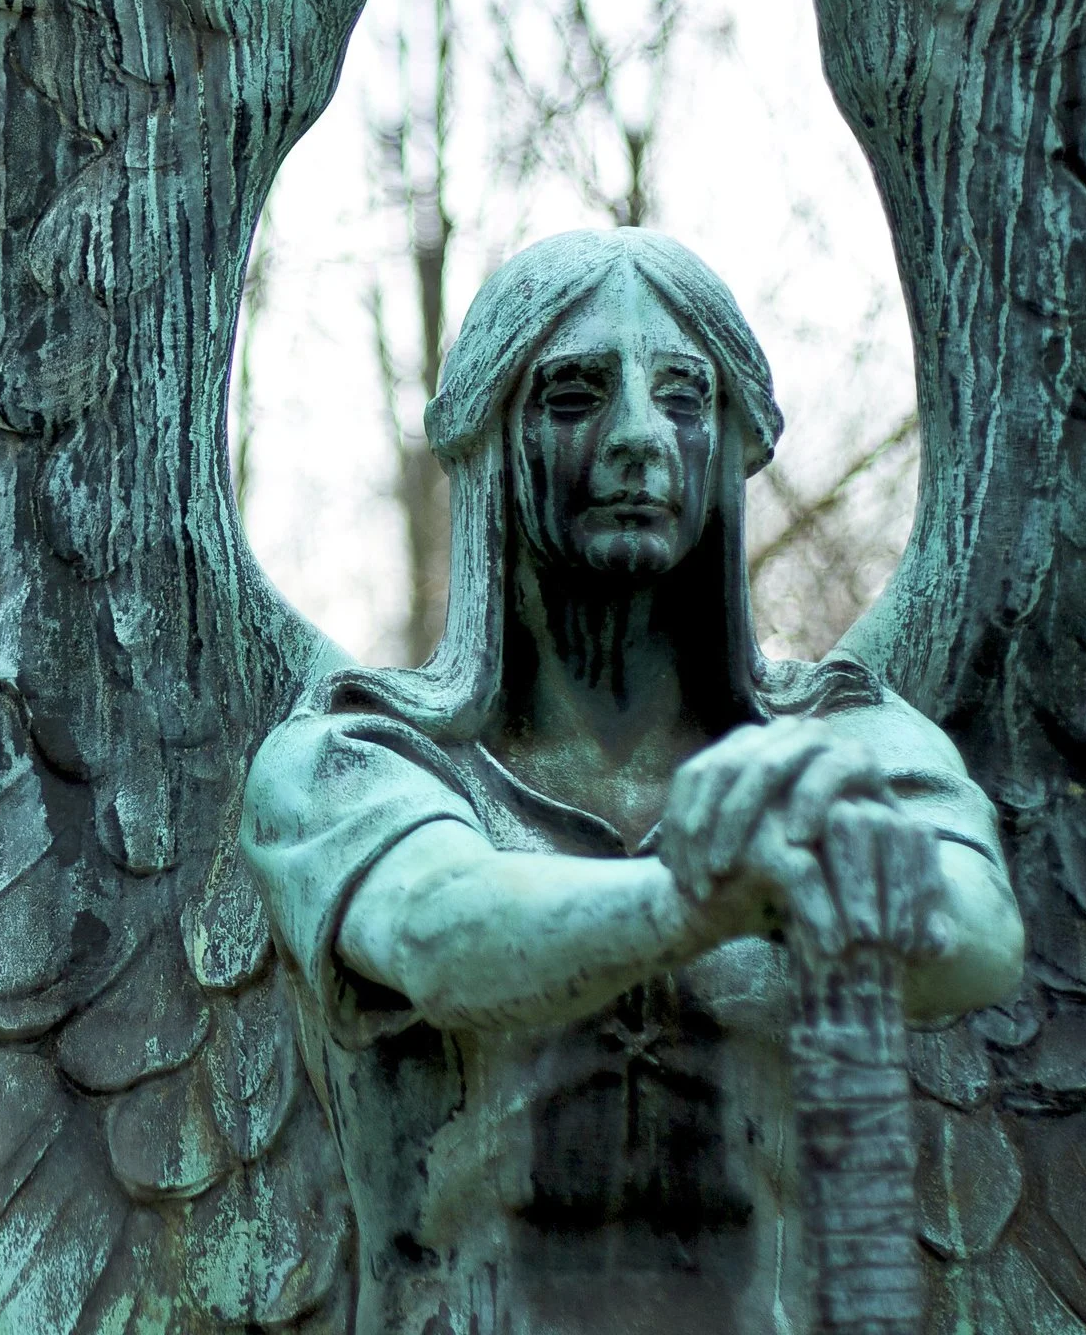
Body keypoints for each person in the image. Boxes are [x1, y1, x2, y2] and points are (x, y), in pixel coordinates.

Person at [241, 229, 1024, 1335]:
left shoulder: (842, 741)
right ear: (486, 436)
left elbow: (981, 934)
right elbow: (431, 925)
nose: (637, 437)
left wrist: (847, 850)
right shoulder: (352, 756)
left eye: (682, 396)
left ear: (731, 440)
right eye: (572, 394)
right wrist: (694, 898)